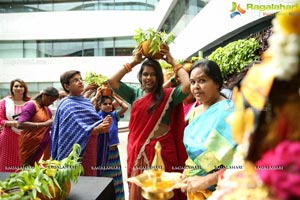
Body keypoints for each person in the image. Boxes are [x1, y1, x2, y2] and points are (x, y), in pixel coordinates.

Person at [108, 46, 190, 200]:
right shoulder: (135, 94)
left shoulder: (168, 96)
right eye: (145, 74)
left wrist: (172, 61)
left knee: (165, 192)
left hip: (163, 150)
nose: (149, 78)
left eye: (153, 75)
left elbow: (187, 85)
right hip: (139, 152)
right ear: (140, 76)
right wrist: (133, 62)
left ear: (159, 77)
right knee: (140, 192)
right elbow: (112, 81)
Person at [181, 59, 236, 200]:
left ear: (217, 83)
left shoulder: (229, 112)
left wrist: (207, 180)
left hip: (221, 189)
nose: (196, 87)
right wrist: (187, 170)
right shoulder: (194, 112)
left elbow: (239, 161)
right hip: (194, 188)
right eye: (192, 82)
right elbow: (194, 154)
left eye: (202, 81)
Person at [51, 70, 112, 176]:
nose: (80, 82)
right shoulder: (66, 104)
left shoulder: (86, 102)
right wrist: (96, 129)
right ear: (67, 86)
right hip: (75, 150)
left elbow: (92, 122)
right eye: (75, 80)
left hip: (91, 147)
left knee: (90, 176)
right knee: (76, 179)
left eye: (80, 79)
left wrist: (104, 124)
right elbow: (70, 131)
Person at [17, 87, 59, 166]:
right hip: (30, 146)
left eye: (53, 101)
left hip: (43, 146)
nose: (51, 103)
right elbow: (20, 124)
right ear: (44, 95)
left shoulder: (47, 109)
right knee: (27, 170)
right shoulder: (31, 105)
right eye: (51, 100)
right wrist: (44, 124)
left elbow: (48, 127)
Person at [97, 93, 128, 200]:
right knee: (104, 177)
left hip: (114, 152)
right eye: (105, 104)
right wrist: (96, 95)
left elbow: (125, 107)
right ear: (100, 105)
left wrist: (114, 96)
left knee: (116, 178)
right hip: (102, 152)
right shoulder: (96, 116)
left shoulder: (114, 115)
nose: (108, 105)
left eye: (110, 104)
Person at [0, 79, 31, 172]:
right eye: (16, 86)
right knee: (6, 161)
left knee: (24, 162)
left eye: (21, 86)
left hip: (26, 137)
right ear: (12, 88)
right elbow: (1, 119)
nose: (18, 88)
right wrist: (15, 123)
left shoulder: (31, 102)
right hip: (8, 137)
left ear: (24, 89)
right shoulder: (5, 102)